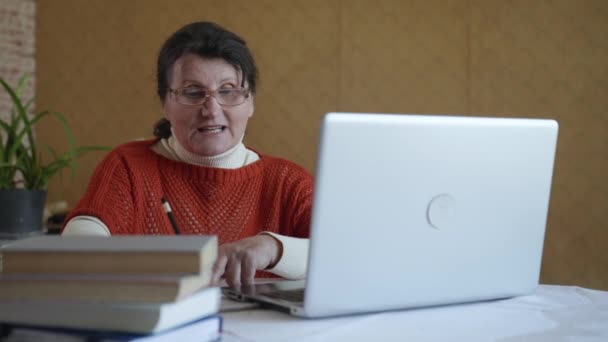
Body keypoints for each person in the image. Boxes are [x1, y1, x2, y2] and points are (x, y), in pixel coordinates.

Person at [62, 21, 312, 287]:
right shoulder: (129, 166)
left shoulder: (287, 181)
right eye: (193, 93)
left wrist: (274, 248)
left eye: (228, 91)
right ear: (165, 103)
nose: (211, 109)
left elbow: (348, 253)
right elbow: (77, 244)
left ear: (250, 101)